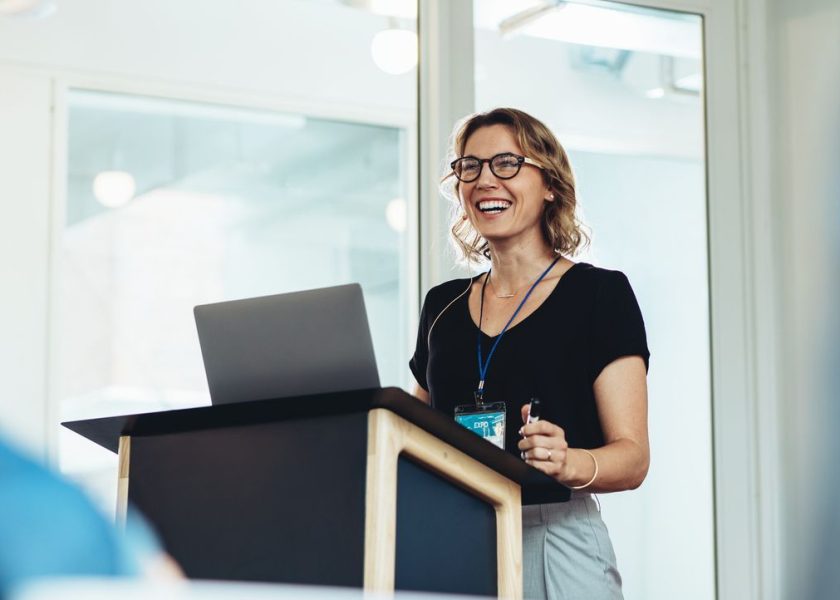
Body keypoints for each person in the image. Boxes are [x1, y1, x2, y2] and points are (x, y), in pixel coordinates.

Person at [409, 107, 650, 600]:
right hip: (455, 536)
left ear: (550, 185)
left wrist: (570, 461)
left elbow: (633, 458)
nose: (483, 180)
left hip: (553, 534)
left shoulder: (599, 294)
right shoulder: (443, 306)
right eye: (468, 167)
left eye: (506, 163)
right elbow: (412, 432)